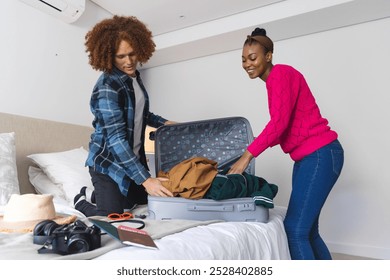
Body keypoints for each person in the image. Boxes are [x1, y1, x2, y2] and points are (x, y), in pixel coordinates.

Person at [228, 27, 344, 260]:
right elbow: (283, 127)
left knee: (295, 230)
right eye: (243, 60)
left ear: (268, 55)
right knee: (308, 231)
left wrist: (247, 155)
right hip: (310, 157)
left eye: (253, 57)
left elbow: (279, 124)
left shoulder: (280, 74)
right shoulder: (275, 81)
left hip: (319, 153)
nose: (247, 64)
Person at [74, 15, 174, 217]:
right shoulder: (108, 87)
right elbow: (116, 140)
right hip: (108, 163)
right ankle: (82, 200)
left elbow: (140, 114)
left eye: (132, 54)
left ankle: (100, 196)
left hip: (131, 160)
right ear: (109, 56)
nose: (129, 62)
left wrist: (168, 124)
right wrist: (146, 180)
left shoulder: (134, 78)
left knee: (144, 201)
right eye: (121, 57)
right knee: (112, 215)